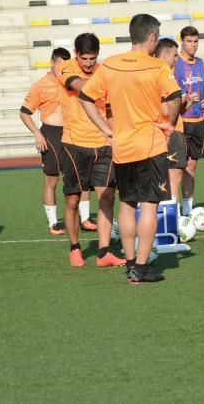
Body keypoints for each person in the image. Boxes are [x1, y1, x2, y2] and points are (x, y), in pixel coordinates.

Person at [80, 14, 182, 285]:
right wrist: (170, 124)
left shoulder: (110, 65)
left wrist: (105, 128)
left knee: (126, 204)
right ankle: (141, 265)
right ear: (151, 37)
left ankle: (129, 262)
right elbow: (175, 96)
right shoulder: (156, 67)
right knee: (149, 205)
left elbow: (85, 97)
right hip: (149, 144)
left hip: (122, 145)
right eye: (157, 37)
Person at [57, 33, 121, 268]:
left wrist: (113, 135)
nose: (88, 63)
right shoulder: (65, 68)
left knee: (107, 197)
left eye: (92, 58)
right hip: (74, 145)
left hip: (103, 144)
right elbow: (80, 87)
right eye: (84, 58)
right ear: (76, 54)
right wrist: (106, 83)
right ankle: (74, 247)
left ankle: (103, 252)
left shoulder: (103, 70)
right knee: (72, 200)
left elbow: (112, 107)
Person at [19, 47, 72, 235]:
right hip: (50, 134)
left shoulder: (72, 82)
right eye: (60, 64)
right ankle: (53, 222)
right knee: (51, 178)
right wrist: (37, 133)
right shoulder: (41, 85)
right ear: (52, 62)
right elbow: (24, 113)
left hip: (72, 133)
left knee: (77, 178)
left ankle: (83, 219)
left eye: (67, 64)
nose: (63, 68)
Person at [153, 38, 194, 206]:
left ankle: (165, 219)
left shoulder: (154, 73)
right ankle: (171, 221)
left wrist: (186, 103)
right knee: (173, 178)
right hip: (169, 132)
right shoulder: (163, 74)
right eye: (175, 55)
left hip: (156, 132)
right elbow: (172, 101)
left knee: (160, 179)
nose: (177, 59)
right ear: (165, 54)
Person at [174, 26, 204, 216]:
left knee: (191, 166)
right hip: (181, 121)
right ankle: (172, 208)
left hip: (198, 120)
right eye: (189, 41)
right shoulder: (175, 63)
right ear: (182, 41)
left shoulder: (201, 63)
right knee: (176, 167)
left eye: (196, 41)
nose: (193, 45)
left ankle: (188, 210)